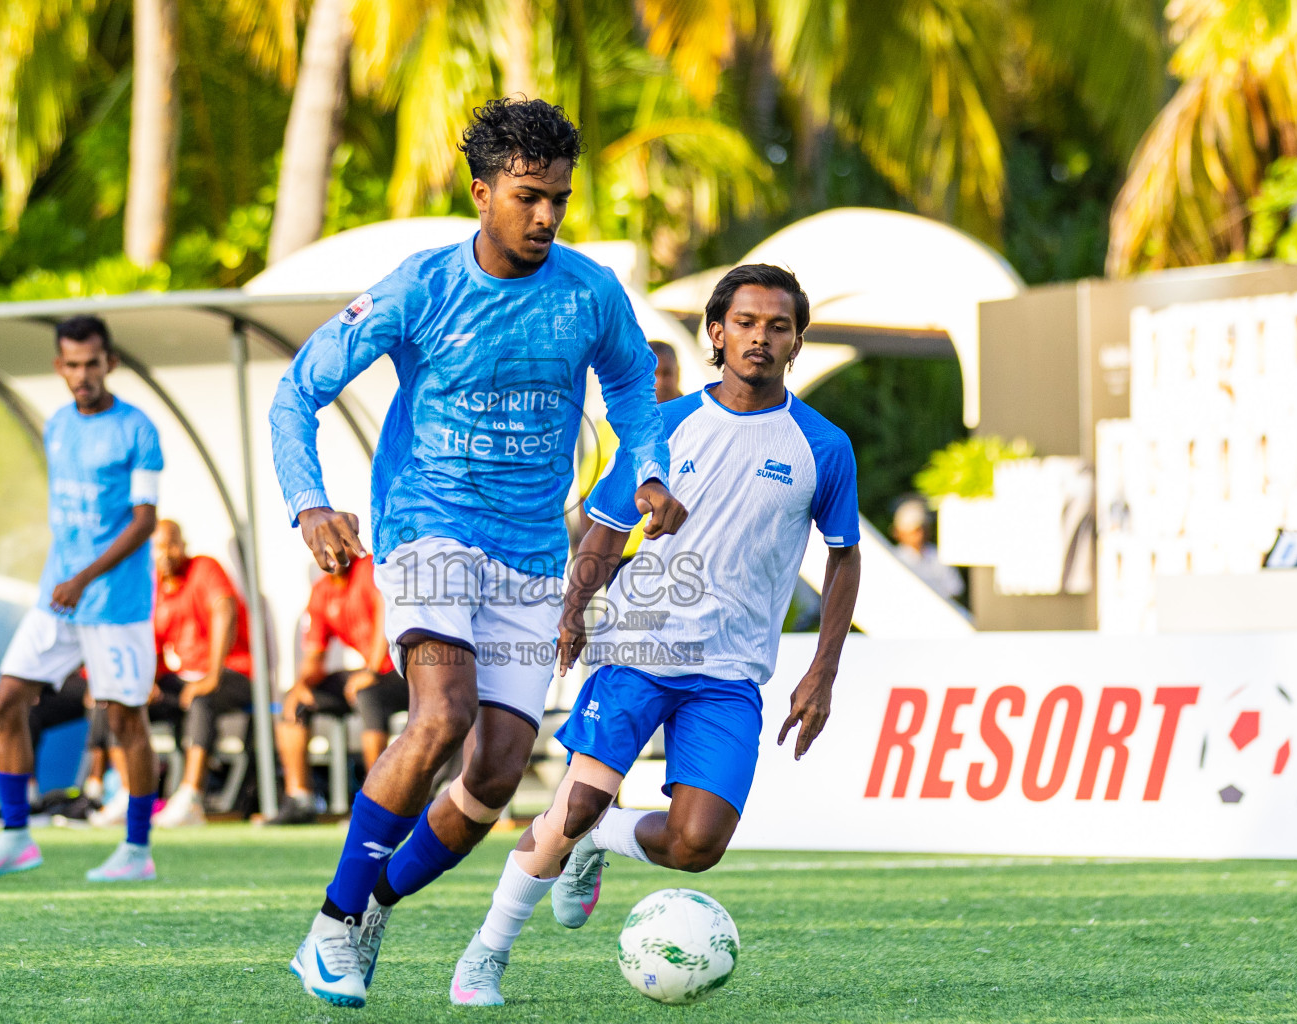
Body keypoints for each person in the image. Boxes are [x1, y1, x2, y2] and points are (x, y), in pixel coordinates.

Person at [270, 97, 685, 1008]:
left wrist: (648, 470)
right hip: (430, 526)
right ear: (481, 192)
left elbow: (632, 388)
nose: (546, 216)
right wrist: (310, 504)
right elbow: (296, 391)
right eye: (528, 196)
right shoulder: (420, 287)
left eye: (559, 199)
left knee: (494, 776)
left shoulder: (589, 291)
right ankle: (333, 925)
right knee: (441, 716)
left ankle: (370, 905)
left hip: (531, 553)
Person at [449, 264, 863, 1005]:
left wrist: (823, 671)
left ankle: (601, 840)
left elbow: (843, 557)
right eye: (745, 323)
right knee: (571, 807)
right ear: (717, 333)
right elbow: (606, 531)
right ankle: (485, 954)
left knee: (697, 845)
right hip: (635, 652)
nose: (760, 338)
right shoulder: (660, 429)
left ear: (796, 341)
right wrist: (573, 611)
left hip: (730, 673)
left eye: (777, 326)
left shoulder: (823, 446)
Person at [0, 314, 164, 883]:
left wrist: (85, 577)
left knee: (124, 720)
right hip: (59, 599)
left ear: (109, 363)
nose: (82, 375)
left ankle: (137, 852)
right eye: (72, 365)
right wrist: (65, 579)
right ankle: (16, 839)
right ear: (59, 367)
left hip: (114, 601)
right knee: (6, 701)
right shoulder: (57, 426)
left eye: (92, 363)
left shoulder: (138, 429)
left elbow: (145, 522)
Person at [268, 555, 409, 826]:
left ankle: (377, 803)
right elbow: (314, 653)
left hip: (404, 670)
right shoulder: (321, 591)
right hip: (370, 673)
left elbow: (386, 612)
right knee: (295, 701)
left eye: (340, 544)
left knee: (368, 695)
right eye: (326, 548)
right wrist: (302, 684)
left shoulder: (368, 568)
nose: (333, 553)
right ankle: (300, 799)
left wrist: (370, 670)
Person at [148, 519, 257, 827]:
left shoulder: (203, 568)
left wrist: (212, 674)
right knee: (125, 701)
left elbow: (225, 610)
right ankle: (129, 792)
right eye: (158, 547)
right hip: (187, 677)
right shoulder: (156, 587)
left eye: (171, 544)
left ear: (183, 544)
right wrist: (148, 683)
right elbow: (151, 643)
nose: (166, 553)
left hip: (233, 672)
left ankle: (191, 797)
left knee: (201, 697)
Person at [573, 340, 682, 558]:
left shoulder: (694, 420)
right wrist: (590, 553)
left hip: (679, 551)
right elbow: (588, 493)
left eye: (667, 373)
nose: (660, 382)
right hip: (623, 554)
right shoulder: (617, 425)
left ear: (678, 373)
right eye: (652, 375)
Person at [890, 495, 964, 599]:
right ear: (900, 533)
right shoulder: (893, 558)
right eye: (914, 530)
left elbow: (955, 589)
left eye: (922, 528)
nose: (920, 534)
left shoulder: (938, 555)